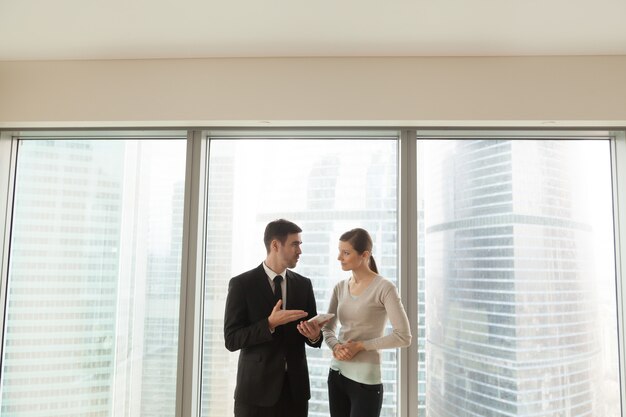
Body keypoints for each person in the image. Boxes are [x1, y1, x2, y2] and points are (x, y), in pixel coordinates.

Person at [224, 219, 325, 417]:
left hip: (295, 392)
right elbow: (232, 339)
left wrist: (314, 336)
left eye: (300, 245)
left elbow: (313, 337)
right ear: (275, 245)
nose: (300, 251)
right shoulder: (242, 284)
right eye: (295, 244)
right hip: (255, 394)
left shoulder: (304, 285)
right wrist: (269, 324)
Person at [322, 228, 412, 417]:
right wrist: (336, 346)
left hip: (365, 381)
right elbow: (328, 329)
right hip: (336, 374)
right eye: (339, 251)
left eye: (346, 253)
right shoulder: (340, 287)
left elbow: (403, 337)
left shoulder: (384, 288)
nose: (340, 257)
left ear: (365, 255)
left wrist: (361, 346)